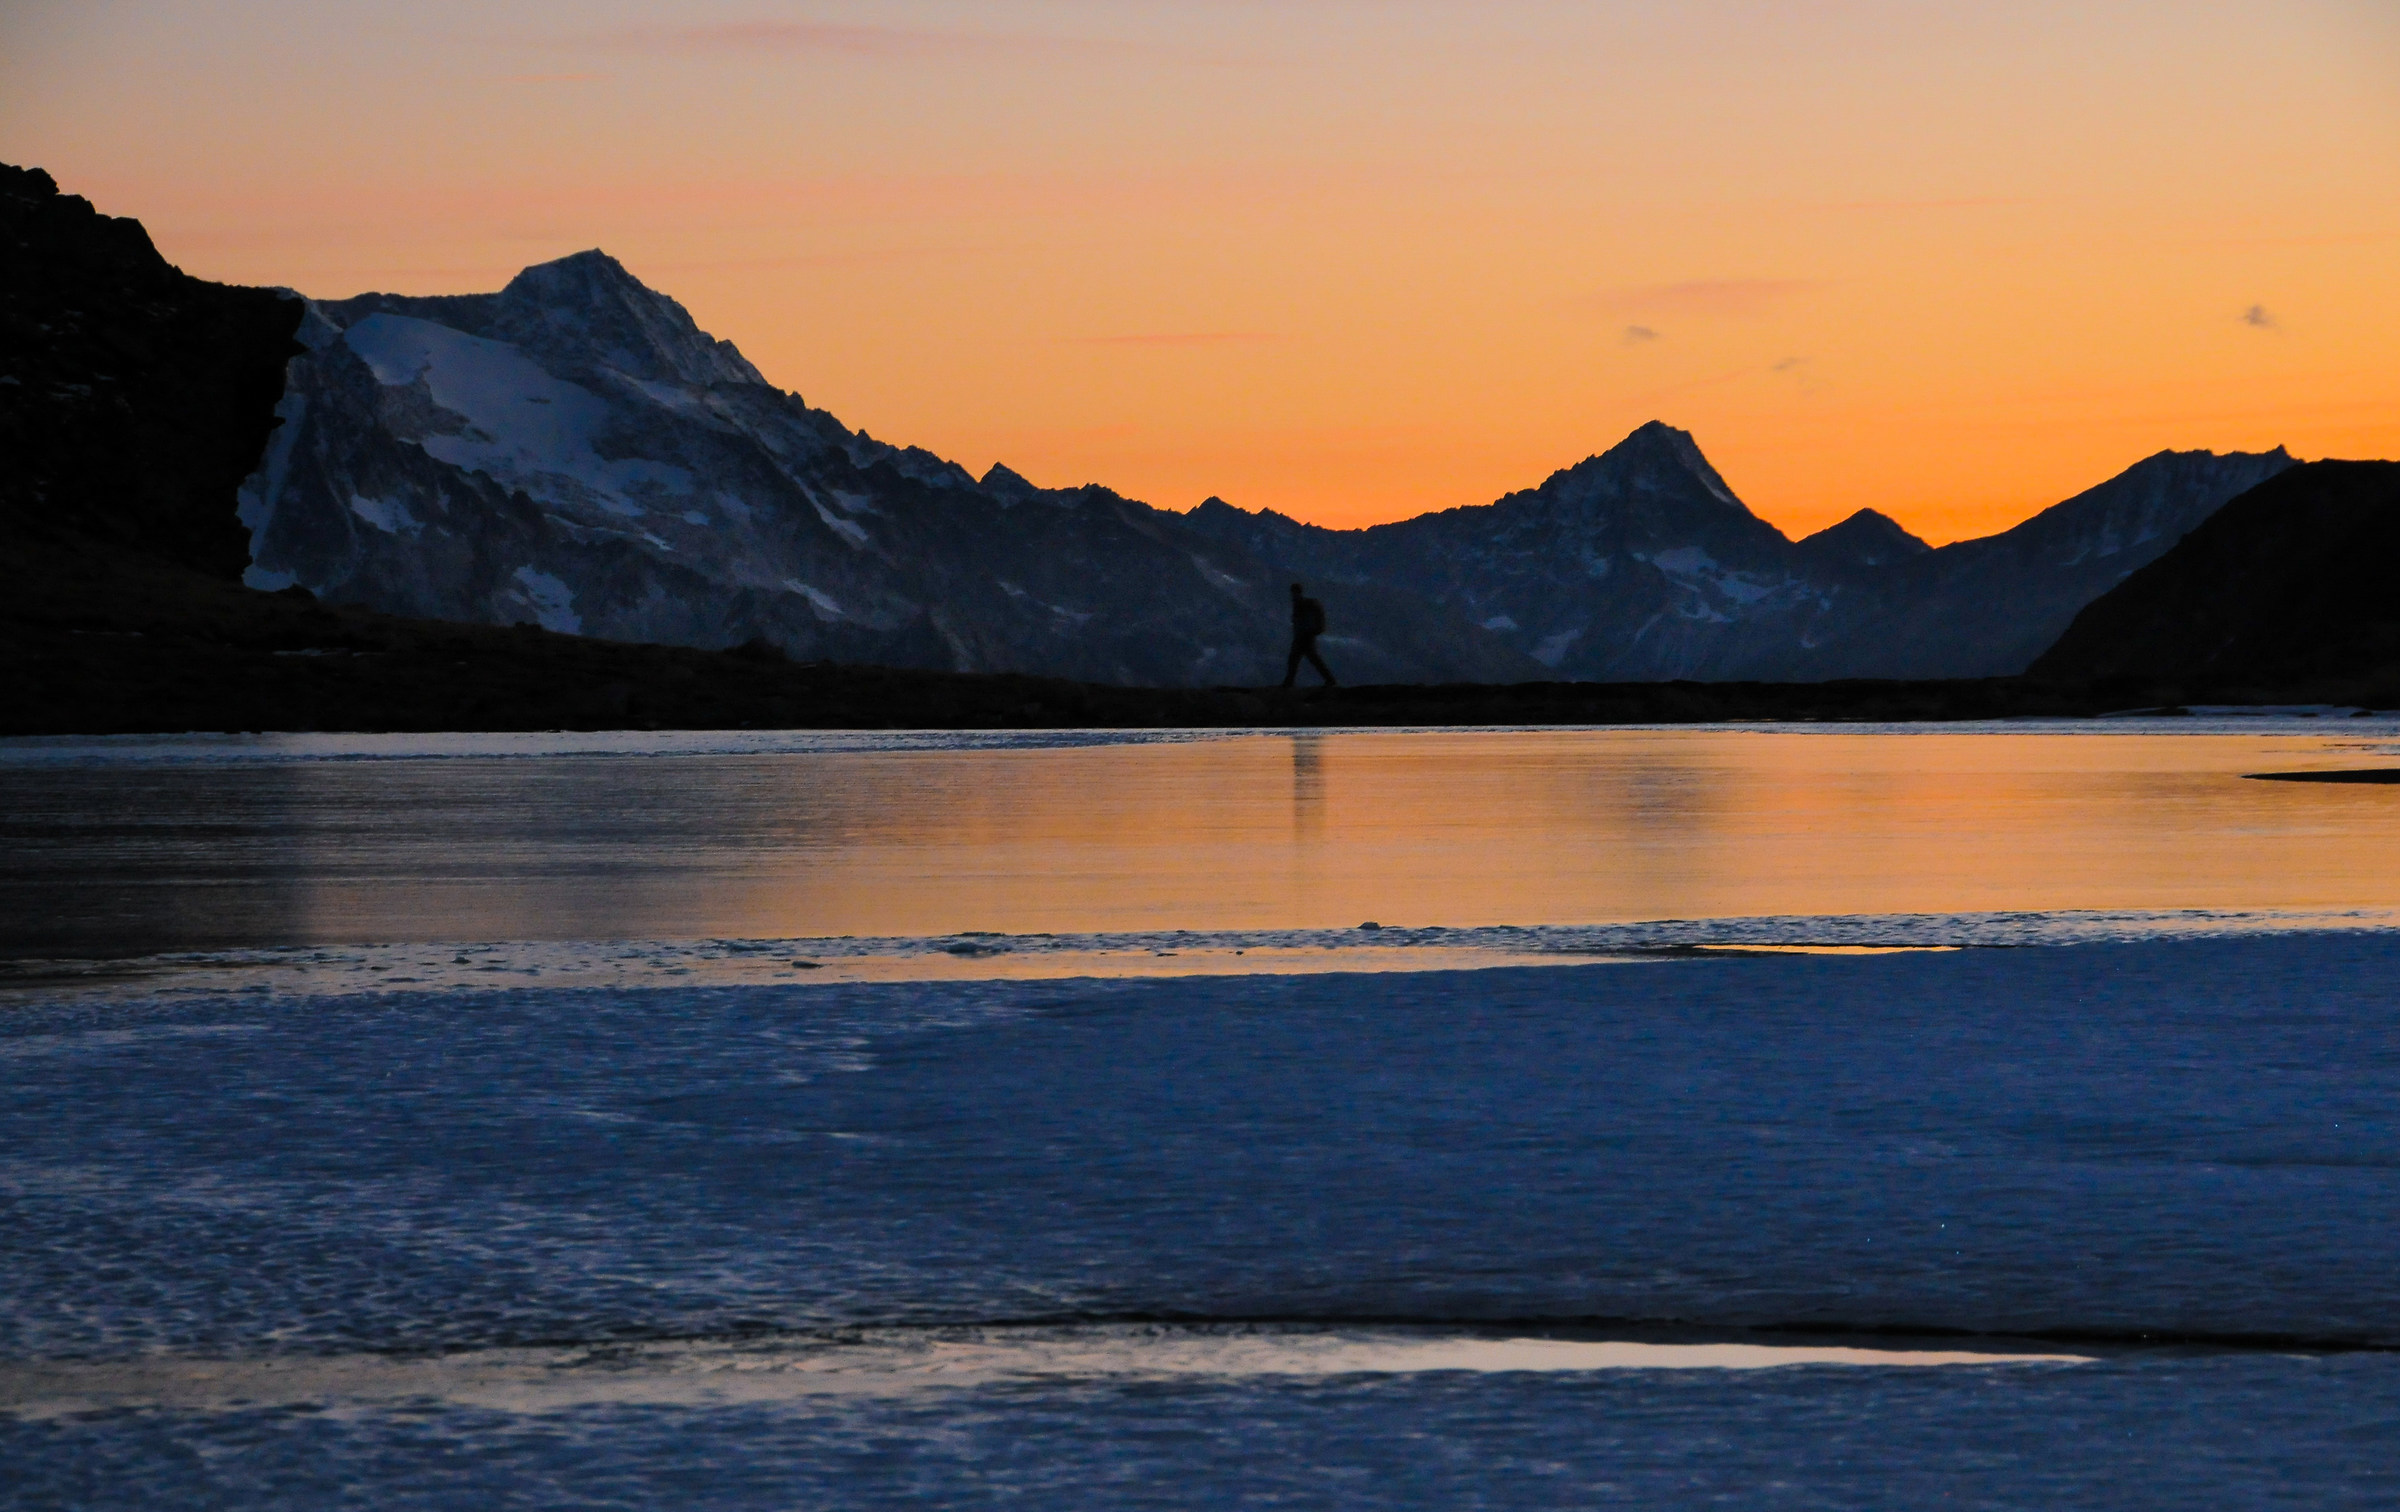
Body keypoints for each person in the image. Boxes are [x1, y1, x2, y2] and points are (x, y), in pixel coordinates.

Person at [1282, 582, 1336, 688]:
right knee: (1309, 659)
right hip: (1305, 636)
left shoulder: (1301, 604)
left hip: (1304, 636)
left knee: (1297, 659)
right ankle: (1330, 679)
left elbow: (1300, 621)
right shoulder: (1303, 604)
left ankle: (1289, 683)